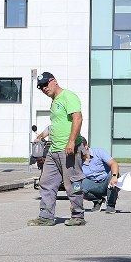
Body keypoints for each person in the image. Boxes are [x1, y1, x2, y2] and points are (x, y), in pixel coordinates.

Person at [28, 71, 85, 227]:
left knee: (74, 183)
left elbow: (77, 118)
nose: (44, 88)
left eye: (45, 84)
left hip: (69, 149)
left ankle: (78, 215)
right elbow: (55, 125)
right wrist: (41, 135)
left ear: (54, 81)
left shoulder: (68, 96)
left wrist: (71, 142)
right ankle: (46, 217)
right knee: (46, 182)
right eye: (40, 87)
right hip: (54, 150)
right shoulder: (54, 102)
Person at [76, 136, 121, 213]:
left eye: (78, 148)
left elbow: (114, 164)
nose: (77, 151)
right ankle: (98, 200)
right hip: (93, 184)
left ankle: (111, 205)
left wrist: (114, 176)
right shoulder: (77, 161)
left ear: (86, 146)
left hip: (107, 182)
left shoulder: (99, 152)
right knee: (76, 186)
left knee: (113, 173)